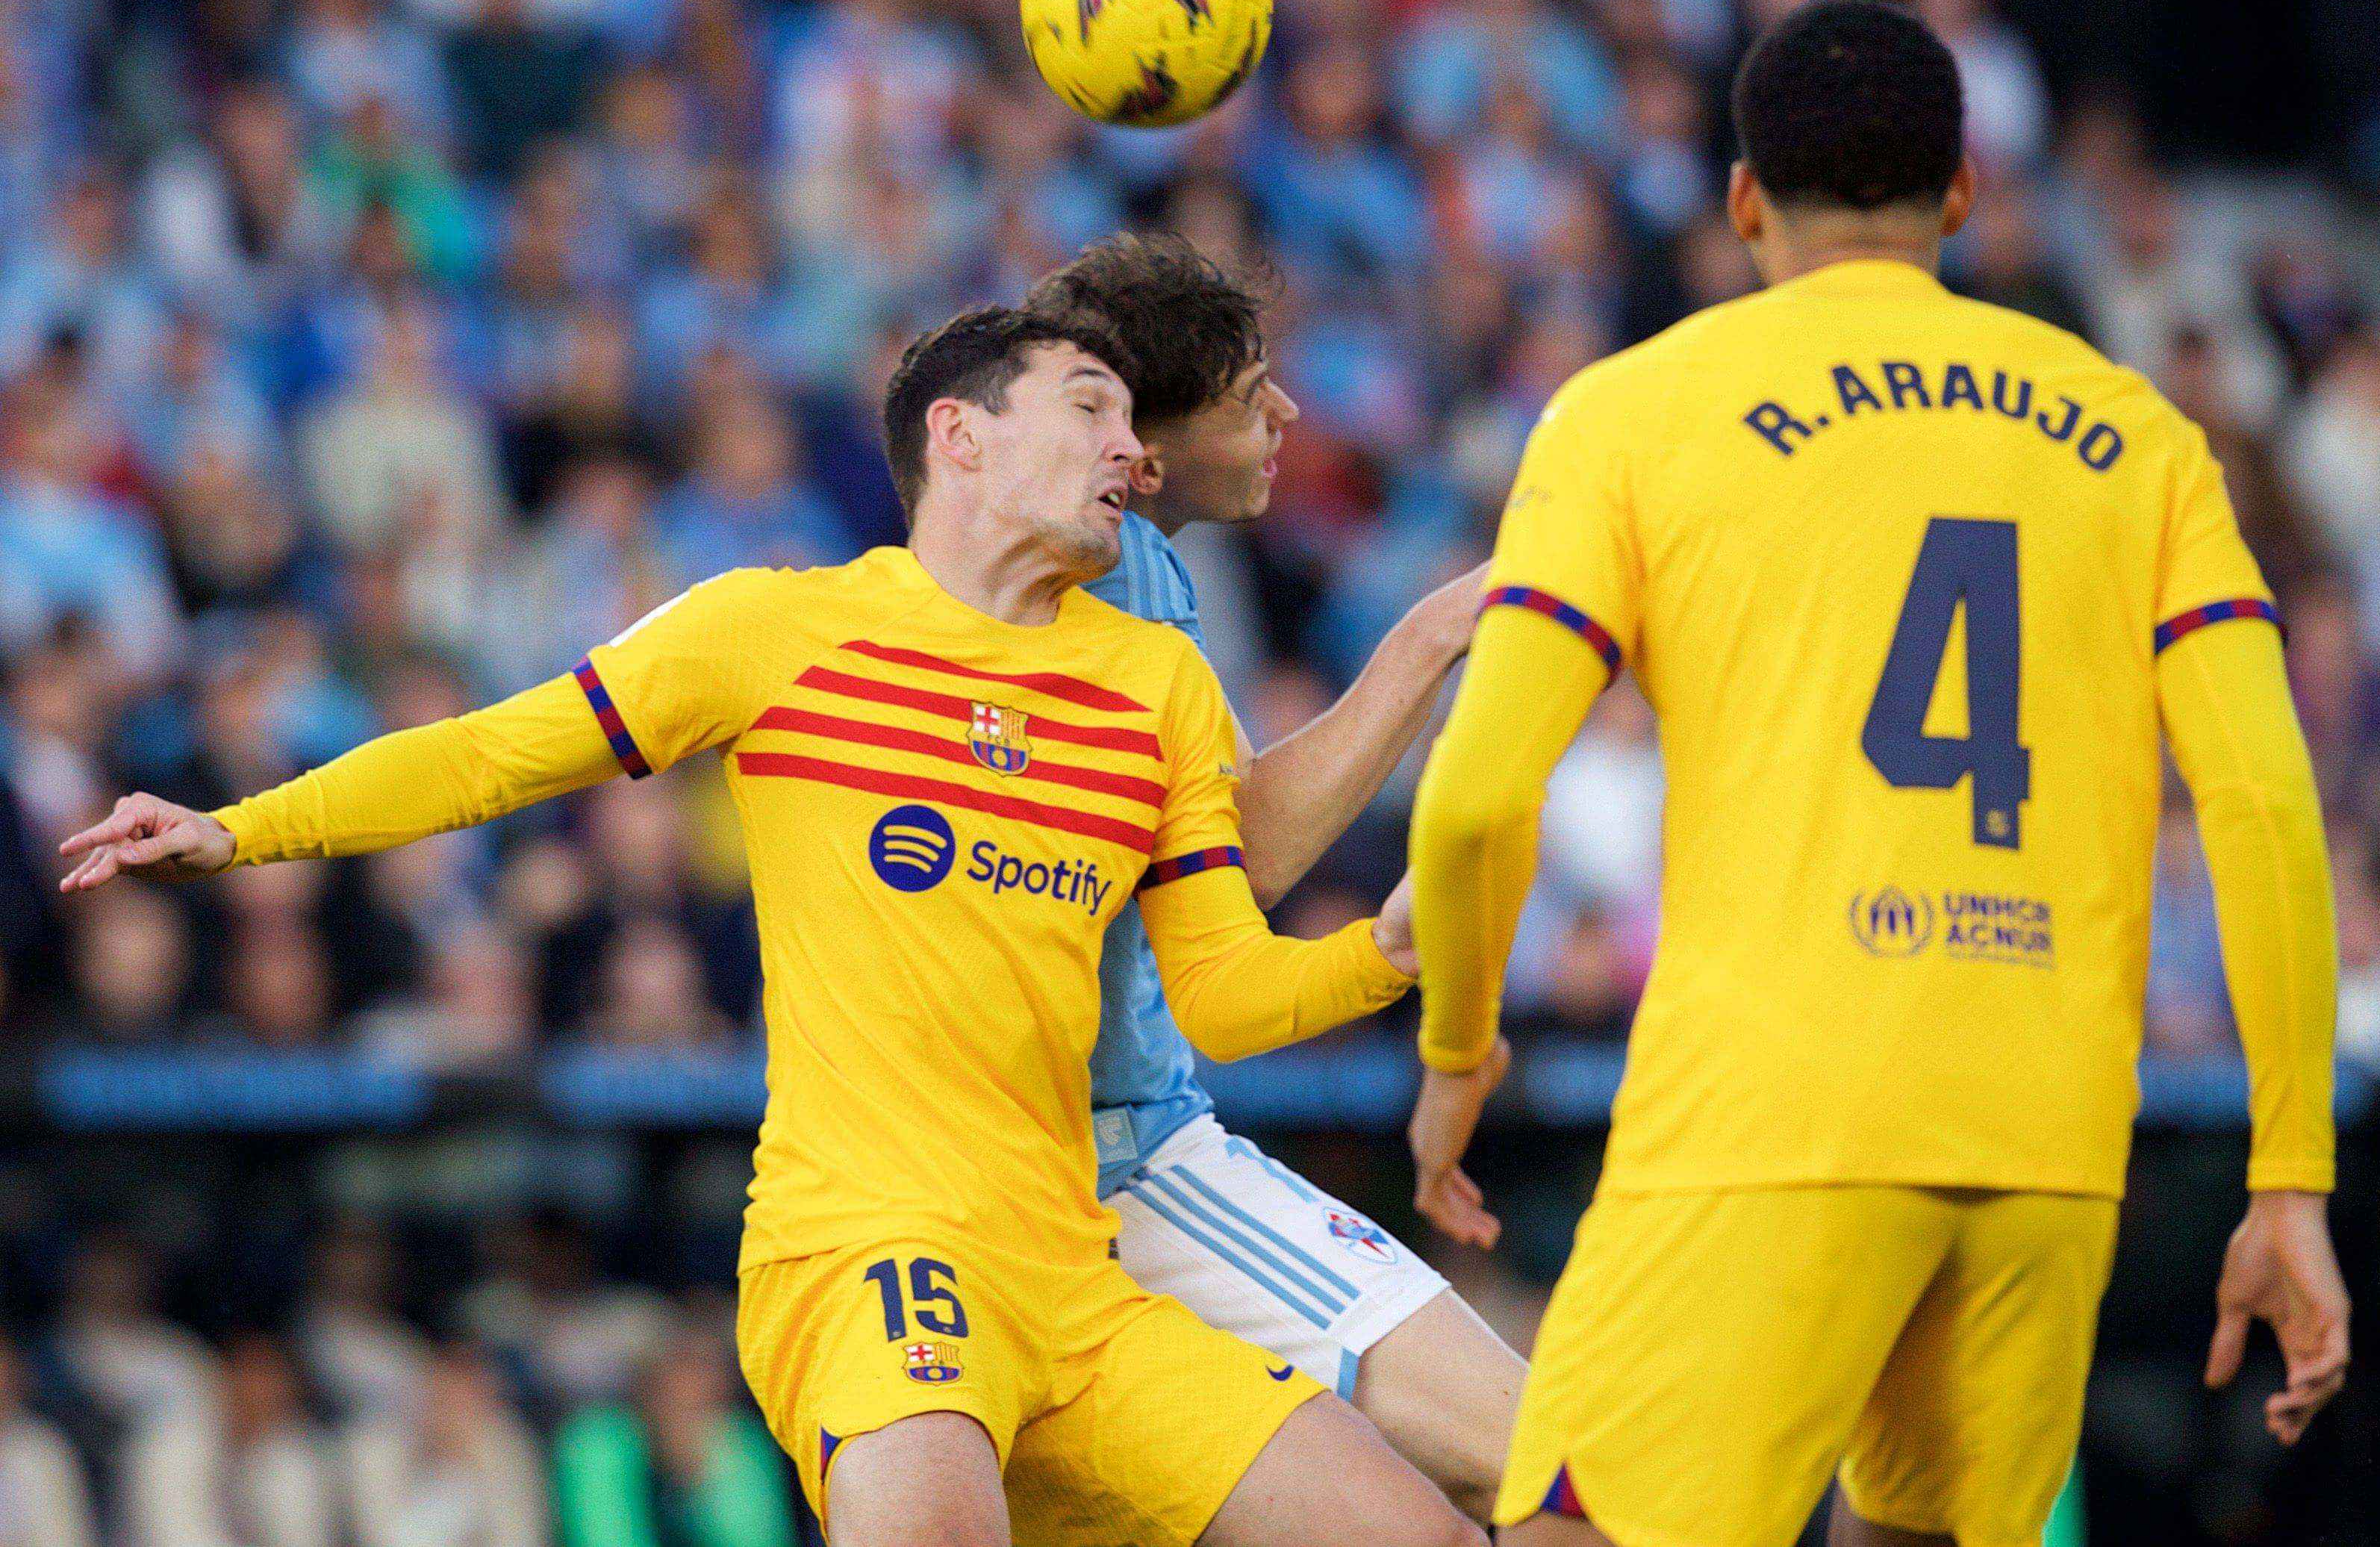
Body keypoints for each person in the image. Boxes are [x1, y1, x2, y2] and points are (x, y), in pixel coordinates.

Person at [57, 307, 1483, 1547]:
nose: (1134, 449)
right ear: (961, 436)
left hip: (1080, 1284)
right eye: (1091, 408)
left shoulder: (1154, 681)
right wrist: (242, 829)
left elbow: (1222, 996)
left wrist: (1391, 953)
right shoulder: (775, 631)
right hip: (868, 1247)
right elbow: (489, 752)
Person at [1402, 0, 2352, 1547]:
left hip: (1763, 1124)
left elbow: (1477, 796)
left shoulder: (1629, 411)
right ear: (1959, 195)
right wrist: (2288, 1179)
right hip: (2043, 1142)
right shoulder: (2140, 437)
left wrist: (1454, 1051)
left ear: (1740, 200)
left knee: (1573, 1530)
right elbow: (2260, 804)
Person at [1025, 234, 1524, 1519]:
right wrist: (1439, 632)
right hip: (1121, 1161)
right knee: (1560, 1462)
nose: (1288, 415)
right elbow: (1239, 863)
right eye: (1253, 395)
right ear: (1148, 440)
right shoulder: (1114, 563)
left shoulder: (1083, 564)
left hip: (1005, 1176)